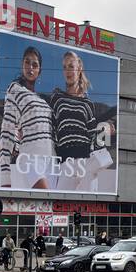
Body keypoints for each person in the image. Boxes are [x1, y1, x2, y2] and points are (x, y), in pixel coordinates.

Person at [50, 51, 117, 192]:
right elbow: (53, 130)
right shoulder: (57, 98)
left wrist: (106, 129)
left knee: (87, 208)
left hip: (86, 162)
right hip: (66, 163)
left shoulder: (87, 103)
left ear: (79, 68)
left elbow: (91, 134)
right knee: (59, 205)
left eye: (71, 66)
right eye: (64, 67)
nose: (67, 71)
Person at [0, 46, 56, 190]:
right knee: (45, 201)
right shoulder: (15, 90)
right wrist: (5, 176)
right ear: (22, 65)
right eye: (27, 62)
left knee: (49, 210)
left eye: (35, 65)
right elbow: (7, 131)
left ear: (39, 70)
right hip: (30, 159)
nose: (30, 67)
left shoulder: (43, 101)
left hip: (51, 160)